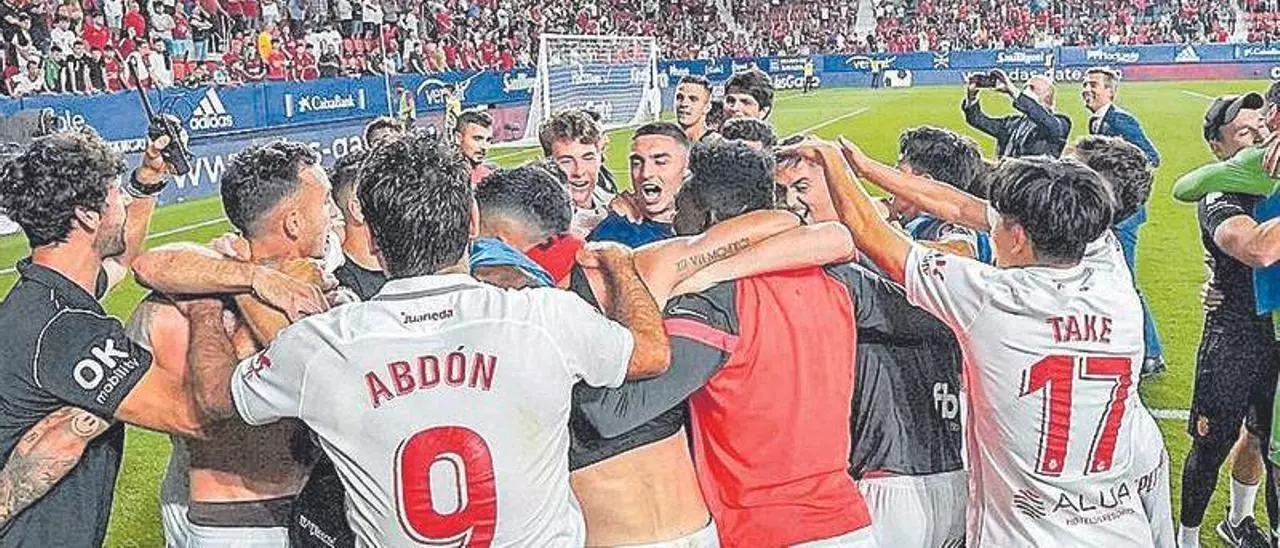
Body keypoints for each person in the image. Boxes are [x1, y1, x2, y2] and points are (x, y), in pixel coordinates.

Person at [180, 130, 672, 546]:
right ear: (473, 222)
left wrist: (205, 307)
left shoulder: (321, 345)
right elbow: (651, 353)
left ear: (373, 237)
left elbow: (216, 397)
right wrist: (622, 264)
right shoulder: (545, 318)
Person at [832, 138, 1171, 546]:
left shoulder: (992, 298)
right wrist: (869, 167)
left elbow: (870, 233)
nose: (990, 225)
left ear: (1018, 237)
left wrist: (833, 161)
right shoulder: (1116, 282)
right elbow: (962, 208)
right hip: (1122, 530)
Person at [577, 142, 875, 547]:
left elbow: (613, 414)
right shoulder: (837, 280)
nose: (675, 217)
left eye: (683, 204)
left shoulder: (712, 304)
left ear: (709, 217)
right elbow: (841, 239)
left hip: (765, 532)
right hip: (848, 522)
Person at [0, 129, 237, 545]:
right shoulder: (68, 331)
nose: (123, 203)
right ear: (88, 216)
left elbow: (120, 262)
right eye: (115, 194)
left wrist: (148, 180)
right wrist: (205, 300)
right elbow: (195, 415)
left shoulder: (44, 296)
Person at [125, 141, 336, 547]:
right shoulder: (295, 292)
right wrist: (252, 279)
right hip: (245, 517)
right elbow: (148, 263)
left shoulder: (200, 281)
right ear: (293, 223)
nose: (333, 215)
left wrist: (242, 280)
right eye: (325, 203)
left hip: (215, 510)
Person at [774, 146, 967, 547]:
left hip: (889, 479)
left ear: (840, 187)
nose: (791, 201)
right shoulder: (910, 256)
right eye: (781, 191)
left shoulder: (842, 268)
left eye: (802, 186)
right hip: (948, 471)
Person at [1178, 93, 1280, 548]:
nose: (1257, 134)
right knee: (1212, 444)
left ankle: (1239, 520)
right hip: (1234, 335)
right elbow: (1256, 249)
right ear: (1217, 147)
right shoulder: (1220, 193)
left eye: (1259, 125)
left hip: (1274, 332)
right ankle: (1186, 537)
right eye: (1242, 131)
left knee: (1264, 439)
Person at [1082, 66, 1165, 377]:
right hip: (1108, 214)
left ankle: (1152, 353)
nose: (1086, 90)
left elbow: (1151, 157)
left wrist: (1118, 173)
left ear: (1110, 91)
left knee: (1126, 283)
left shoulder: (1121, 120)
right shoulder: (1096, 121)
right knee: (1115, 280)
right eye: (1085, 84)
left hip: (1124, 218)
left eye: (1093, 85)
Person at [892, 126, 991, 262]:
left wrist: (892, 238)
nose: (891, 184)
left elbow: (961, 251)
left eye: (899, 174)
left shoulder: (954, 224)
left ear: (924, 184)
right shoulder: (921, 223)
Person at [587, 122, 686, 247]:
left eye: (660, 162)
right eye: (637, 163)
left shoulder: (704, 222)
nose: (646, 173)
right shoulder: (613, 234)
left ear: (686, 168)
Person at [539, 109, 613, 237]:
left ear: (600, 158)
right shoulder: (539, 224)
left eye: (588, 158)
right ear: (549, 164)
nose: (579, 171)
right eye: (566, 161)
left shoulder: (612, 204)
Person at [963, 71, 1071, 158]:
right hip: (1004, 176)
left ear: (1047, 96)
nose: (1026, 90)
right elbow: (977, 119)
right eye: (1025, 87)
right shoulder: (1013, 123)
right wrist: (972, 96)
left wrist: (1012, 91)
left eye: (1032, 88)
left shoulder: (1061, 123)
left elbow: (1046, 121)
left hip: (1034, 177)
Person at [455, 109, 494, 185]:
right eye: (477, 139)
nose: (484, 147)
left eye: (488, 140)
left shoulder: (490, 176)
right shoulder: (442, 178)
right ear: (458, 138)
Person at [673, 74, 715, 142]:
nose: (684, 104)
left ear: (707, 107)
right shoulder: (667, 142)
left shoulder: (718, 145)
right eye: (679, 97)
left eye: (693, 99)